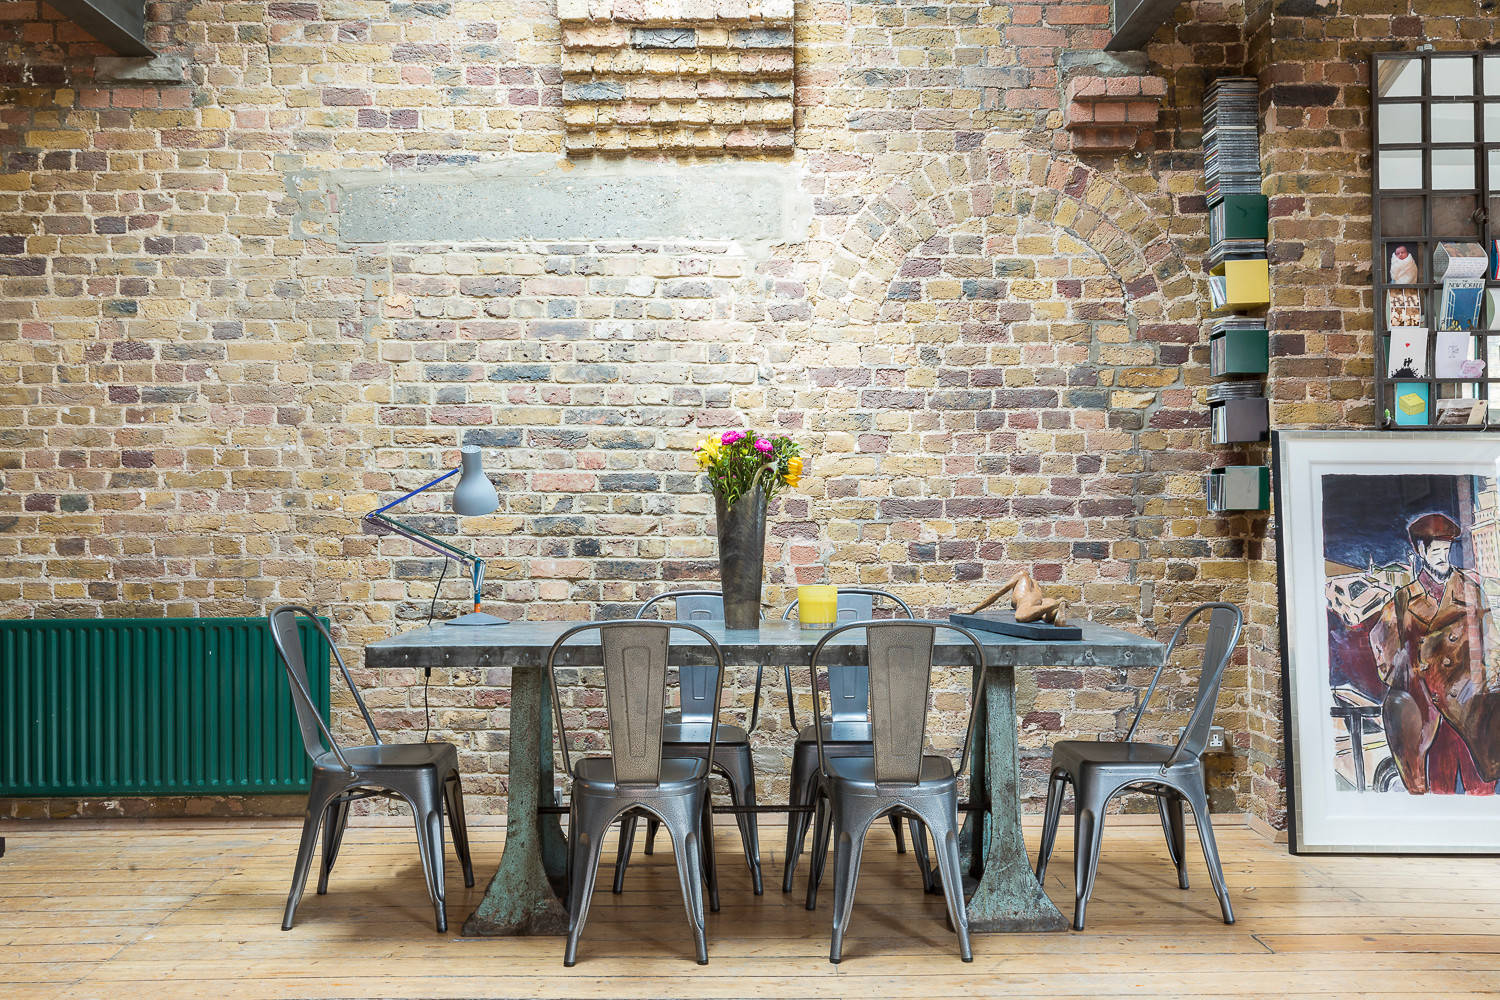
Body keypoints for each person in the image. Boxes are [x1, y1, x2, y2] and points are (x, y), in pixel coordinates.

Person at [1368, 512, 1500, 794]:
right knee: (1439, 791)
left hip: (1471, 711)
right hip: (1430, 717)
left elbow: (1492, 644)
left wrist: (1485, 685)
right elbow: (1382, 646)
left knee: (1481, 790)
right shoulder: (1404, 599)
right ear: (1420, 550)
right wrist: (1410, 680)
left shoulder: (1470, 591)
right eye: (1436, 550)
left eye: (1446, 549)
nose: (1443, 556)